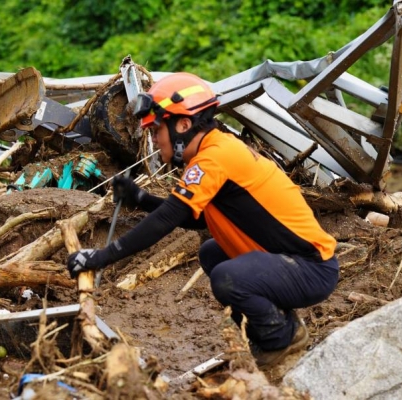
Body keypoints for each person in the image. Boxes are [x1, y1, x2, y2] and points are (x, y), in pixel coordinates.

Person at [66, 72, 339, 367]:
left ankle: (281, 338)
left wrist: (102, 256)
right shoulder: (214, 150)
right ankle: (267, 327)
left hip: (311, 267)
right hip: (291, 262)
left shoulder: (214, 157)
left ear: (183, 124)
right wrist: (141, 199)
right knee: (212, 252)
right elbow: (197, 219)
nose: (154, 140)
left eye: (156, 130)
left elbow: (169, 218)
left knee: (228, 277)